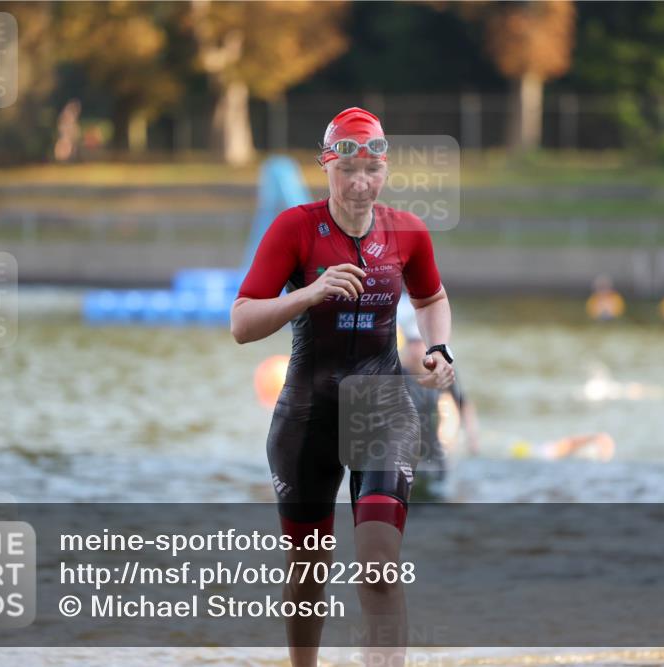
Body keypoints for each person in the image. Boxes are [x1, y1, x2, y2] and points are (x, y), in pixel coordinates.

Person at [231, 107, 454, 667]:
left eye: (372, 171)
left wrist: (437, 348)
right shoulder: (295, 229)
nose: (360, 184)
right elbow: (241, 323)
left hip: (380, 405)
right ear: (326, 167)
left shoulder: (407, 231)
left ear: (385, 170)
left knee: (379, 563)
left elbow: (430, 299)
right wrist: (309, 293)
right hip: (307, 412)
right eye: (346, 170)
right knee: (308, 577)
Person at [396, 299, 478, 500]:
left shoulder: (441, 372)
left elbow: (462, 403)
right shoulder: (396, 373)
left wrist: (472, 436)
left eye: (420, 344)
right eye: (413, 343)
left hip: (433, 450)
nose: (416, 349)